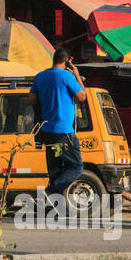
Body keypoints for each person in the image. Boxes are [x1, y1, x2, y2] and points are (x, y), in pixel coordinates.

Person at [30, 48, 85, 198]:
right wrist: (77, 76)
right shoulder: (67, 76)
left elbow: (31, 100)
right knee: (76, 167)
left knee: (55, 171)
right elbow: (82, 96)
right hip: (64, 132)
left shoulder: (40, 77)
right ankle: (49, 193)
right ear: (67, 61)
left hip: (47, 132)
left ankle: (50, 208)